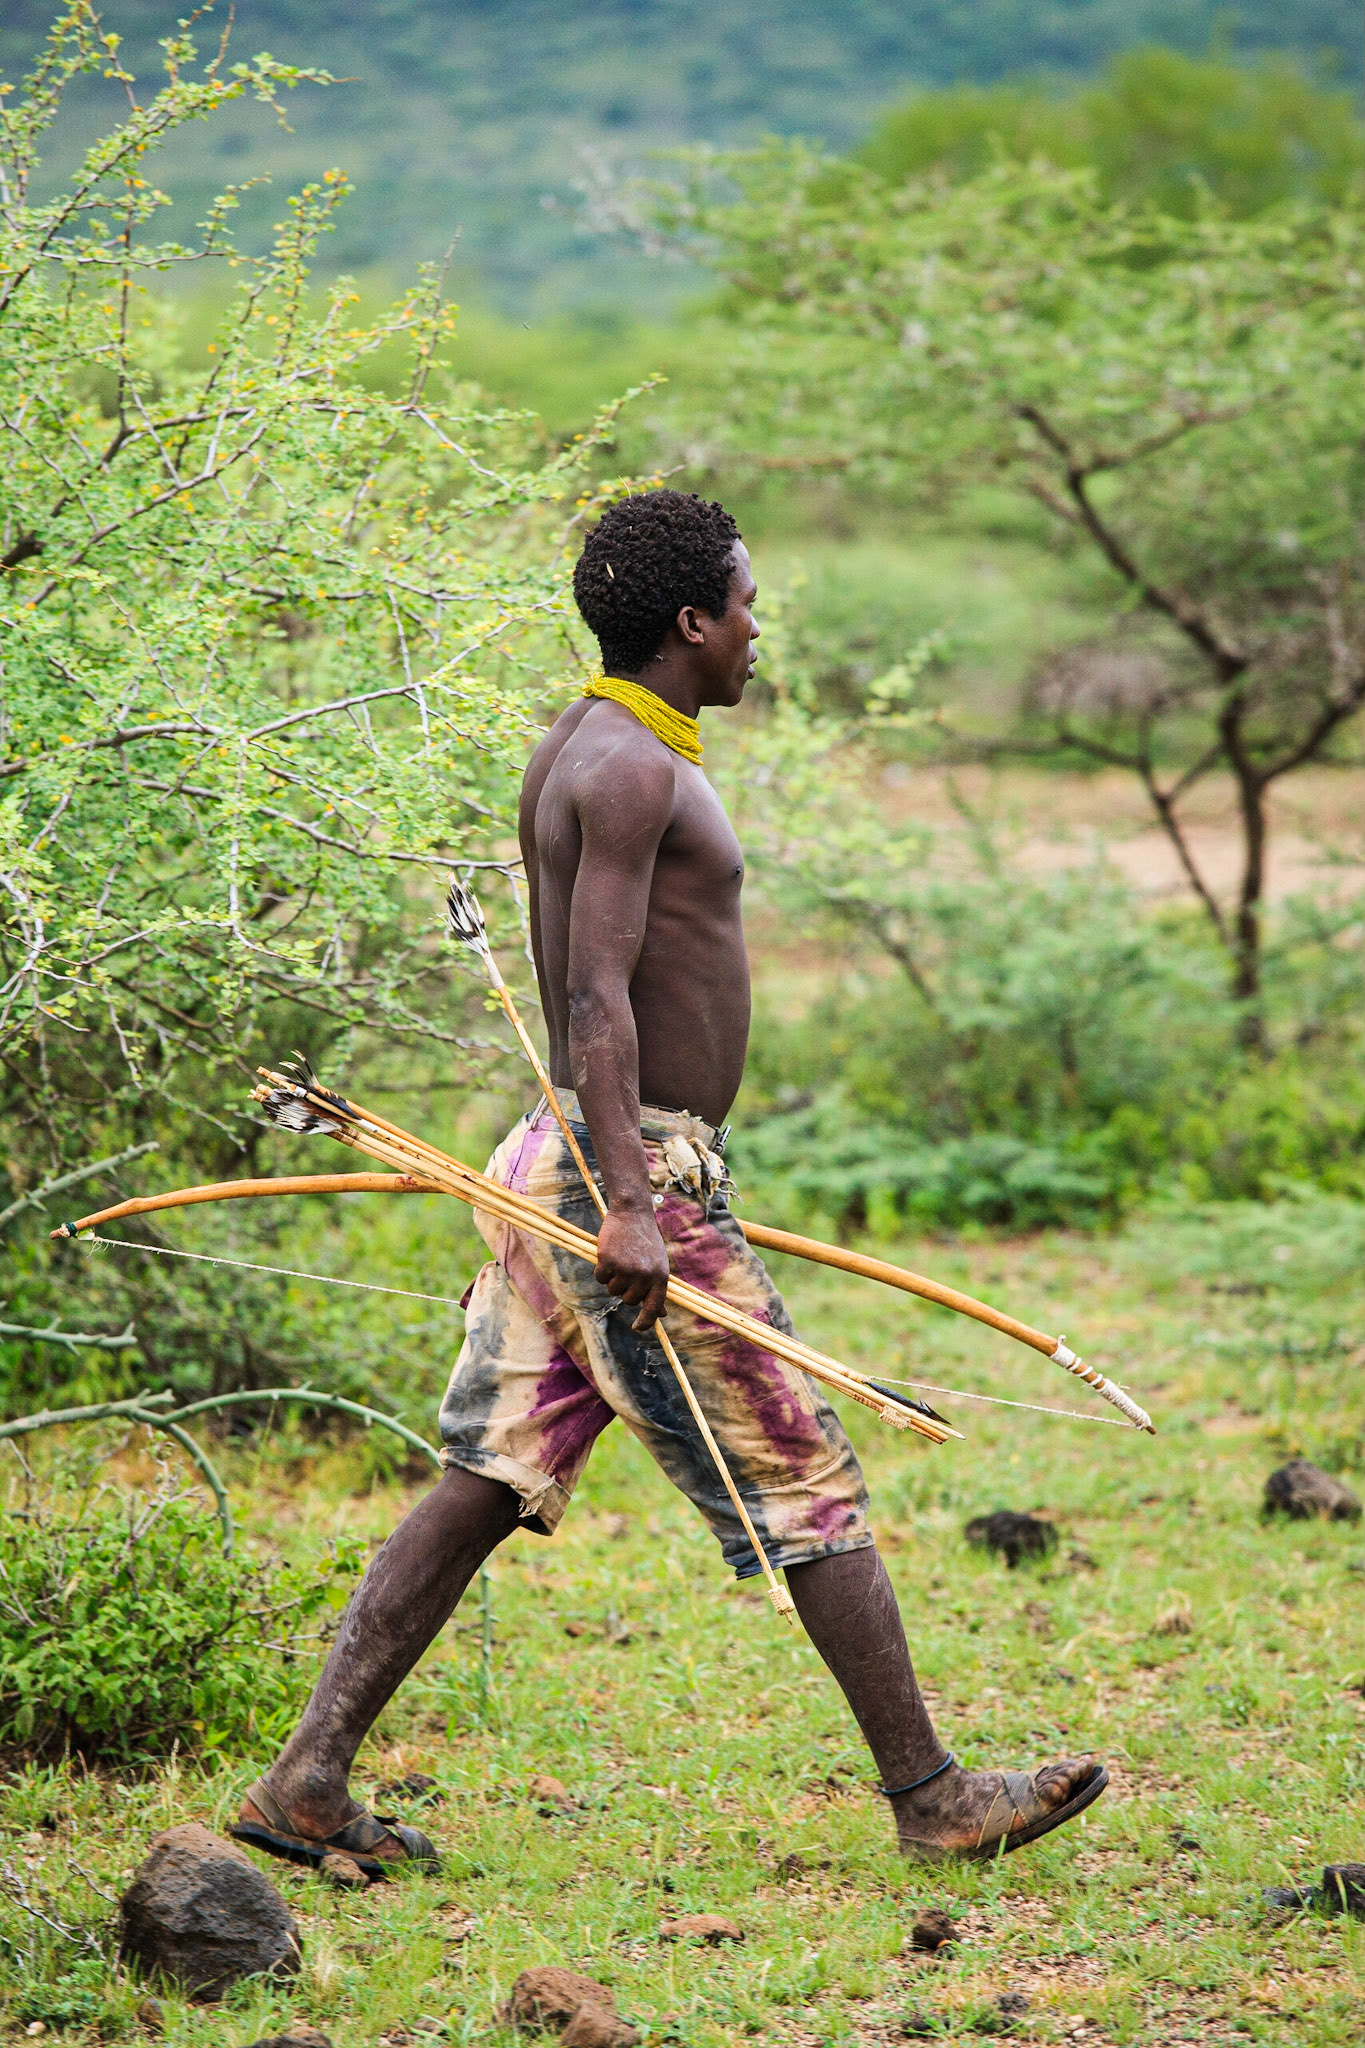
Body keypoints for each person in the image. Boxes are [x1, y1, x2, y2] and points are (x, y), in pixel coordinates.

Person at [233, 489, 1106, 1881]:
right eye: (748, 604)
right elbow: (592, 993)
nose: (760, 631)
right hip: (618, 1176)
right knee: (801, 1475)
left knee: (486, 1476)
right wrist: (636, 1205)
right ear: (692, 621)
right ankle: (933, 1797)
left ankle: (307, 1782)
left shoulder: (590, 743)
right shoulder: (630, 764)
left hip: (565, 1157)